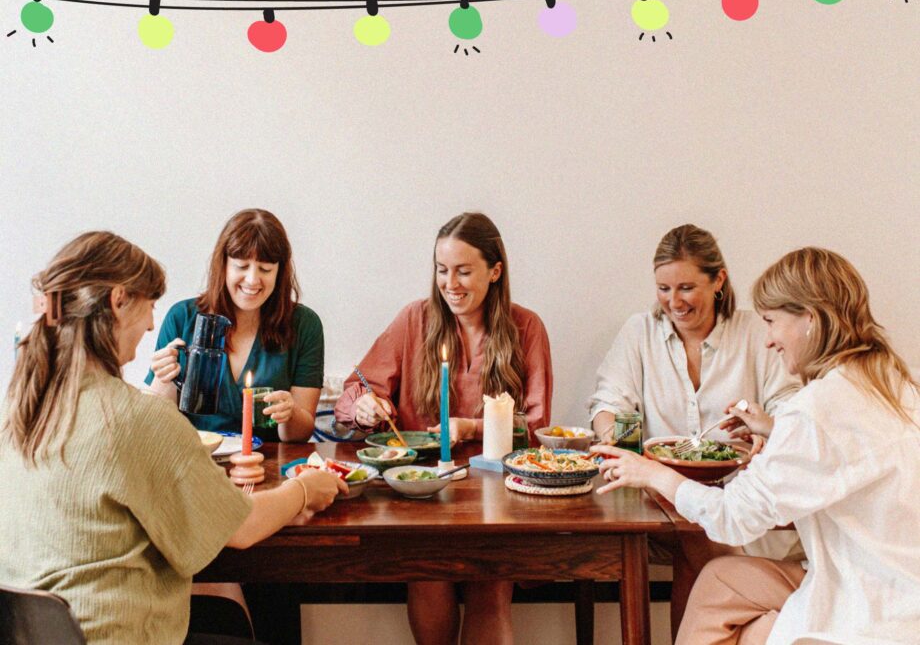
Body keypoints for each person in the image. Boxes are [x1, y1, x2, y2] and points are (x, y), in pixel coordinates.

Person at [0, 231, 346, 645]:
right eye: (149, 307)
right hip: (112, 635)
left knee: (225, 620)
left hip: (38, 633)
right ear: (118, 300)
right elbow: (241, 526)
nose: (151, 325)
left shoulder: (22, 407)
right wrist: (304, 489)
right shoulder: (135, 418)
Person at [593, 247, 920, 645]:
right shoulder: (893, 379)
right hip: (893, 578)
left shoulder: (817, 409)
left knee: (753, 631)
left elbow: (732, 518)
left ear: (810, 321)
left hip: (872, 602)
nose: (768, 340)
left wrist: (652, 473)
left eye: (771, 322)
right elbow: (842, 452)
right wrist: (775, 429)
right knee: (719, 578)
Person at [335, 212, 553, 645]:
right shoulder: (414, 319)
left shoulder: (526, 327)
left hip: (497, 493)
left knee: (490, 586)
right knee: (426, 575)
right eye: (441, 270)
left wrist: (471, 427)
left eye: (463, 271)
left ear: (494, 271)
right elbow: (355, 390)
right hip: (421, 490)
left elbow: (537, 428)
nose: (450, 283)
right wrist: (363, 406)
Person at [587, 224, 802, 633]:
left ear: (718, 279)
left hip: (741, 500)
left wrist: (763, 427)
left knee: (696, 532)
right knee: (693, 530)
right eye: (663, 289)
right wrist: (612, 434)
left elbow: (790, 408)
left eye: (686, 287)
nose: (674, 302)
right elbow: (608, 404)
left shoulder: (756, 332)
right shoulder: (640, 332)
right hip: (655, 501)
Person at [146, 208, 323, 442]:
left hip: (267, 465)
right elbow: (158, 425)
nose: (252, 280)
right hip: (195, 460)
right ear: (224, 265)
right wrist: (163, 377)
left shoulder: (304, 325)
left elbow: (299, 436)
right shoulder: (182, 317)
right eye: (241, 266)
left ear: (280, 272)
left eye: (265, 269)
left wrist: (290, 414)